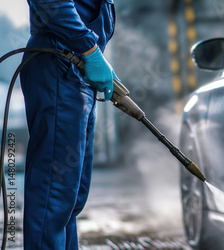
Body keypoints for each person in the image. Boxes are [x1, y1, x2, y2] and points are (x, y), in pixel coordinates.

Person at [20, 0, 117, 248]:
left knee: (69, 197)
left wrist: (94, 53)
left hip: (75, 67)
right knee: (54, 193)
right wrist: (90, 50)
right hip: (61, 62)